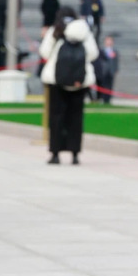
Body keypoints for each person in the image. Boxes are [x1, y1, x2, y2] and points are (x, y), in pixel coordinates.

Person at [40, 9, 98, 164]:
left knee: (56, 117)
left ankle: (55, 153)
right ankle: (75, 154)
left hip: (56, 80)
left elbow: (45, 53)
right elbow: (93, 54)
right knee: (76, 118)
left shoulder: (56, 30)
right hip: (79, 81)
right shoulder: (84, 31)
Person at [95, 35, 119, 105]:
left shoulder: (114, 51)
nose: (109, 42)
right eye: (107, 40)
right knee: (103, 85)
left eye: (110, 40)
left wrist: (116, 69)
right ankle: (103, 98)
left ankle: (108, 99)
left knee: (110, 85)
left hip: (111, 71)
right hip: (103, 71)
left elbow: (116, 61)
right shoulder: (102, 51)